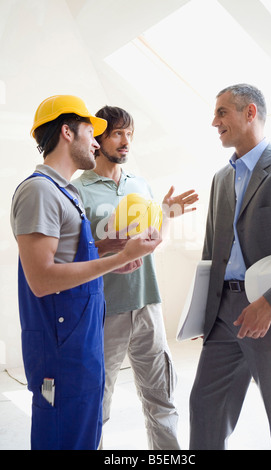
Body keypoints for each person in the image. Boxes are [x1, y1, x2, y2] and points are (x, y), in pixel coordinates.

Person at [10, 95, 162, 451]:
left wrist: (109, 247)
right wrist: (120, 256)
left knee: (84, 436)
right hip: (59, 346)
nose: (96, 143)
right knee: (63, 437)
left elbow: (68, 254)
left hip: (82, 339)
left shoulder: (65, 193)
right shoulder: (38, 191)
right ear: (66, 132)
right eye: (90, 134)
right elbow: (42, 278)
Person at [73, 105, 198, 450]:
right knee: (97, 402)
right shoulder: (77, 190)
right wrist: (112, 248)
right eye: (117, 133)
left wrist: (167, 215)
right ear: (98, 139)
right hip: (103, 308)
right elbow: (72, 255)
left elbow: (154, 242)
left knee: (162, 398)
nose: (126, 141)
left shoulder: (140, 185)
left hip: (148, 302)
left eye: (130, 134)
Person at [189, 83, 271, 450]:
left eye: (222, 112)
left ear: (250, 112)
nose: (214, 121)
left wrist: (269, 304)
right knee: (204, 408)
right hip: (223, 317)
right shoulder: (221, 179)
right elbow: (211, 252)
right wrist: (202, 315)